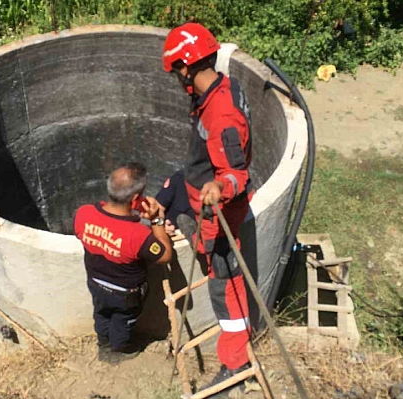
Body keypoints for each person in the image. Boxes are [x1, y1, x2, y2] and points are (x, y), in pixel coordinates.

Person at [161, 22, 254, 389]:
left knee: (225, 287)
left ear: (186, 66)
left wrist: (220, 185)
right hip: (198, 192)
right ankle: (184, 228)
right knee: (169, 196)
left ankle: (234, 365)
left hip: (217, 213)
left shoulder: (221, 114)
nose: (176, 77)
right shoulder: (214, 92)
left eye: (176, 70)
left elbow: (236, 173)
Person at [73, 163, 173, 363]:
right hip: (125, 293)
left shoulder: (84, 213)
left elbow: (92, 233)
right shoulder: (138, 235)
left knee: (101, 314)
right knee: (123, 320)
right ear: (136, 199)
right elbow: (165, 255)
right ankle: (119, 349)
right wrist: (156, 221)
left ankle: (103, 345)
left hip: (96, 283)